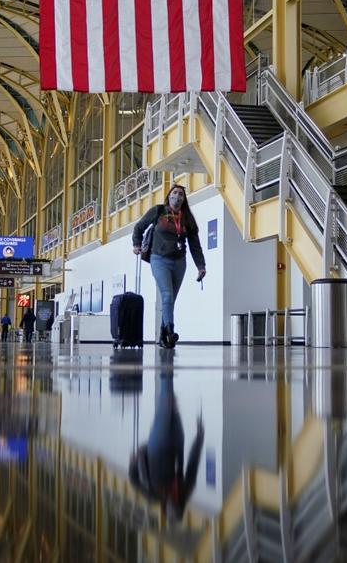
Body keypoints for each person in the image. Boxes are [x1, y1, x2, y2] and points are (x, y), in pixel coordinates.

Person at [133, 184, 206, 348]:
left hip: (180, 262)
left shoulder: (187, 218)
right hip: (159, 259)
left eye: (181, 194)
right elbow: (139, 227)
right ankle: (170, 333)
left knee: (170, 300)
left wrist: (201, 266)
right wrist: (136, 244)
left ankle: (163, 337)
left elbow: (195, 245)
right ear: (169, 195)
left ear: (184, 199)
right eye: (175, 193)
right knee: (166, 296)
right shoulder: (158, 211)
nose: (178, 196)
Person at [128, 371, 203, 522]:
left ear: (165, 510)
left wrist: (134, 462)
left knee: (166, 402)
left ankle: (166, 363)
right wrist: (200, 437)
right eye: (176, 508)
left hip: (156, 447)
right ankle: (167, 370)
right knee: (172, 405)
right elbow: (193, 463)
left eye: (170, 510)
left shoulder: (153, 496)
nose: (172, 506)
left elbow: (133, 479)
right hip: (176, 443)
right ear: (180, 506)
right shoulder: (185, 489)